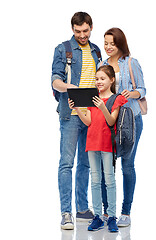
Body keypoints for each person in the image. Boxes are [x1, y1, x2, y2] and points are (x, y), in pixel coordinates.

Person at [51, 12, 101, 230]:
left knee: (85, 164)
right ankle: (66, 213)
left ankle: (82, 209)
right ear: (73, 29)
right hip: (70, 115)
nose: (82, 35)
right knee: (66, 163)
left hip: (91, 116)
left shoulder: (97, 50)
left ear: (91, 28)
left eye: (85, 31)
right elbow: (55, 81)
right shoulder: (63, 49)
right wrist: (71, 89)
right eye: (78, 31)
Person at [68, 65, 128, 232]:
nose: (99, 82)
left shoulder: (116, 99)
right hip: (92, 142)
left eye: (102, 79)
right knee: (95, 180)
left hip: (107, 143)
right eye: (97, 79)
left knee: (109, 179)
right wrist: (77, 109)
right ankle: (98, 217)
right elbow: (88, 121)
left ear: (111, 80)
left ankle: (111, 216)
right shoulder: (92, 97)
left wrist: (102, 107)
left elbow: (111, 122)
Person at [100, 28, 146, 227]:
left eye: (112, 43)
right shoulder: (101, 65)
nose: (109, 47)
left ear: (120, 44)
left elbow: (142, 89)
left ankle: (125, 212)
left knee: (127, 166)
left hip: (130, 120)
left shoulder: (130, 63)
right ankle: (107, 211)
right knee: (106, 167)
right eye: (106, 43)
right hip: (108, 120)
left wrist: (131, 94)